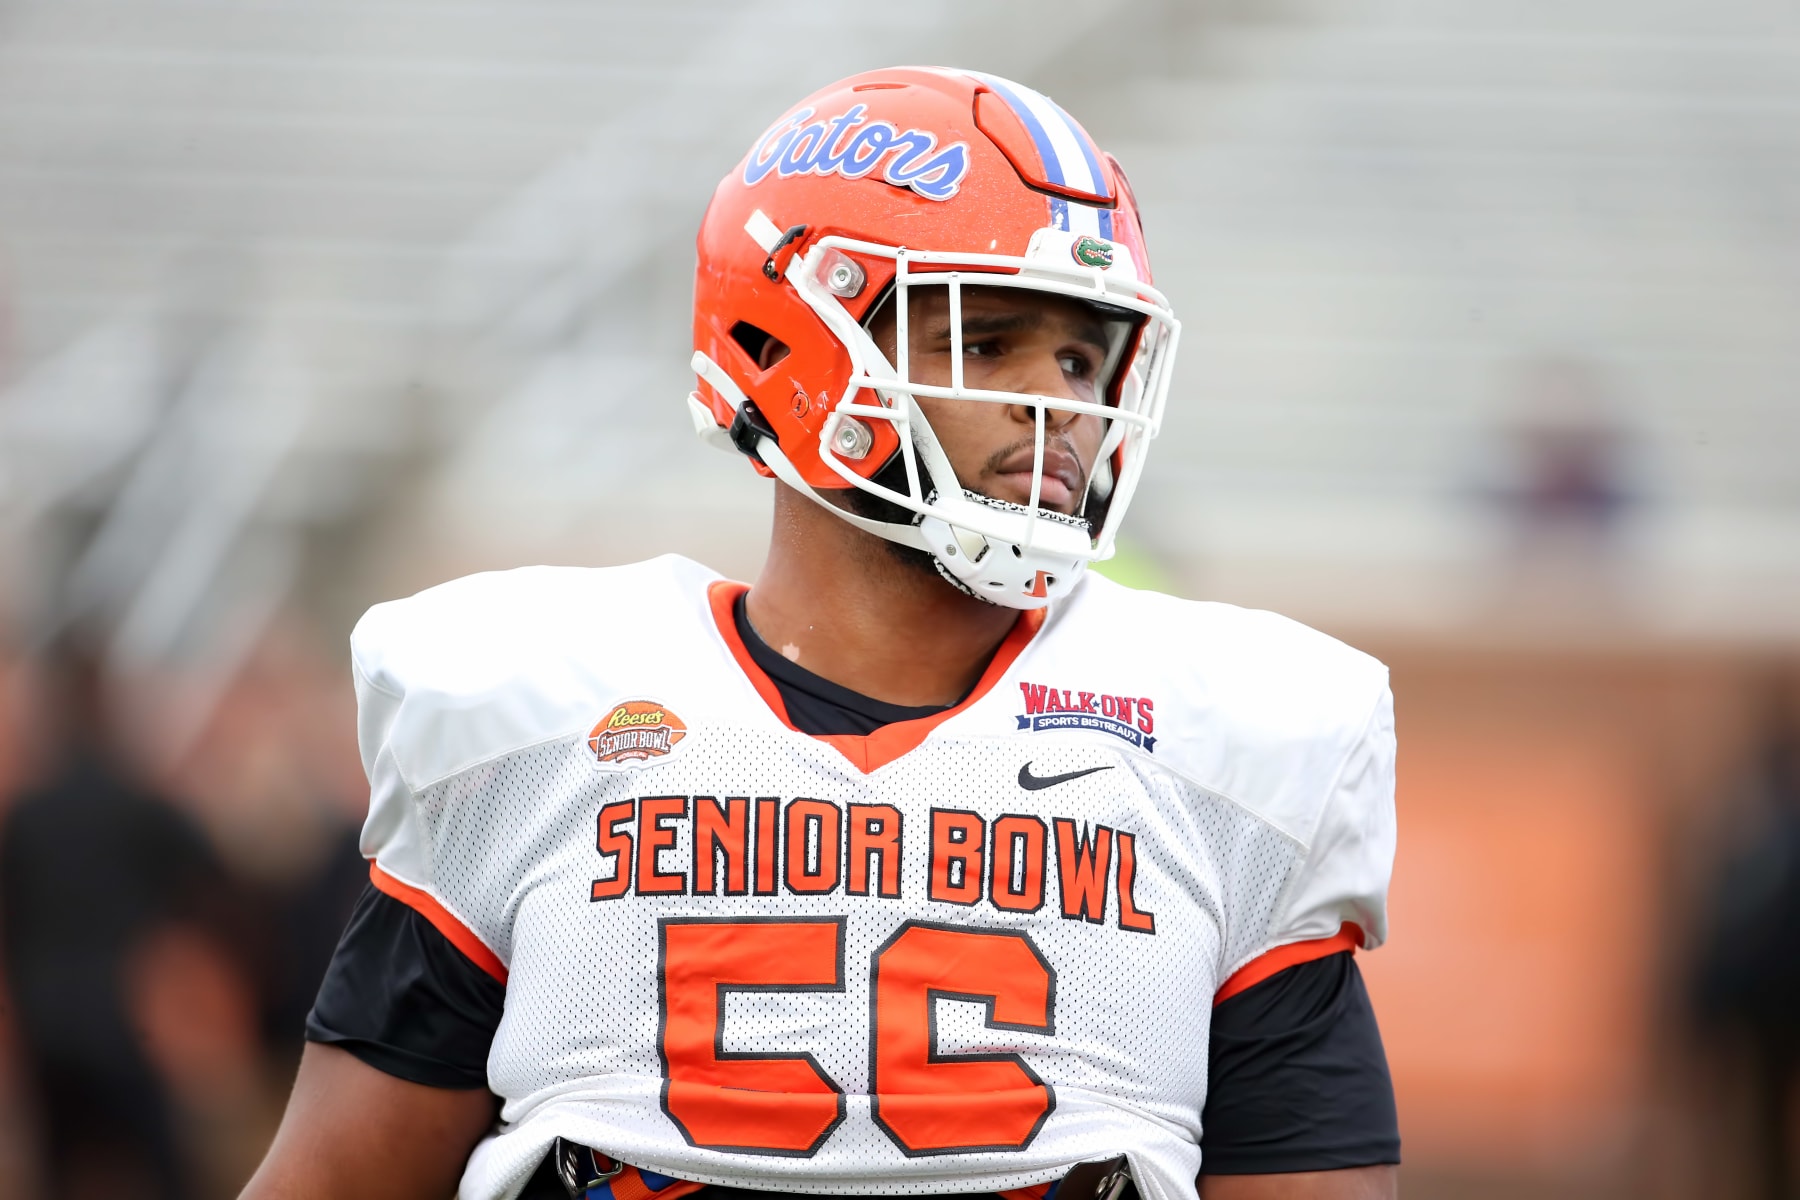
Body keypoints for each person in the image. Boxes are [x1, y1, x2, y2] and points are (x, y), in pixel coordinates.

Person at [242, 68, 1400, 1200]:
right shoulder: (539, 718)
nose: (1059, 404)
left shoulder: (1228, 747)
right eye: (988, 341)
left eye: (1083, 356)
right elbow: (339, 1174)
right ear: (791, 345)